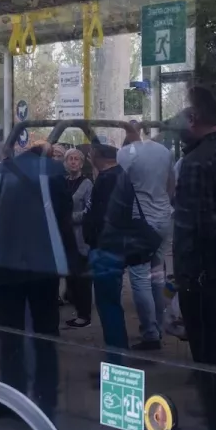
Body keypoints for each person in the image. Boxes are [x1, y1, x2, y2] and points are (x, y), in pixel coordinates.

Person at [0, 139, 73, 411]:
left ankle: (13, 395)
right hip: (41, 264)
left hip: (3, 264)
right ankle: (46, 398)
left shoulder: (6, 169)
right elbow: (63, 218)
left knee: (10, 335)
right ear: (48, 155)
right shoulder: (54, 171)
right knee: (46, 334)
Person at [172, 86, 216, 430]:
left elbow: (194, 229)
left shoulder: (195, 163)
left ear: (193, 120)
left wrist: (183, 283)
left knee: (210, 359)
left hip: (206, 279)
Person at [118, 121, 174, 348]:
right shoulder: (163, 152)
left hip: (141, 223)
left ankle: (150, 334)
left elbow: (119, 188)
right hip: (164, 218)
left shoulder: (126, 154)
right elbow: (172, 185)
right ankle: (158, 327)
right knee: (157, 274)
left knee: (139, 278)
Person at [85, 144, 129, 349]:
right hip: (116, 247)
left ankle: (116, 357)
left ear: (98, 157)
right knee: (111, 302)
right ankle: (118, 351)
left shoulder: (106, 180)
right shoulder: (120, 175)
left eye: (90, 155)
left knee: (107, 304)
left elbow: (99, 217)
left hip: (105, 249)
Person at [62, 148, 94, 329]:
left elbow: (89, 211)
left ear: (81, 164)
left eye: (76, 159)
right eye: (70, 159)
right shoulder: (64, 182)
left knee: (82, 278)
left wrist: (70, 218)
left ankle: (84, 315)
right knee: (71, 277)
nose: (73, 162)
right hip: (64, 236)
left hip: (79, 237)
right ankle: (77, 310)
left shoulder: (87, 184)